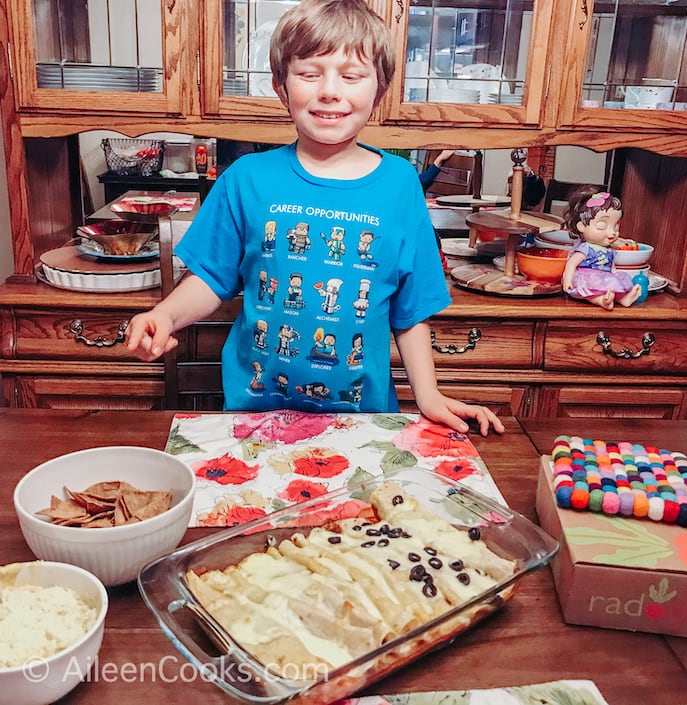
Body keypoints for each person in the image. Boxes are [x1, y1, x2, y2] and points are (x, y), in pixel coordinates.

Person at [125, 0, 503, 436]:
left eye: (351, 75)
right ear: (282, 88)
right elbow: (211, 279)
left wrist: (429, 396)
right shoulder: (246, 179)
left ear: (378, 91)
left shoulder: (401, 184)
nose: (330, 91)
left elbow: (410, 307)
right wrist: (166, 316)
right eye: (309, 73)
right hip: (254, 415)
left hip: (364, 422)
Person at [560, 187, 641, 310]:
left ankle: (623, 299)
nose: (612, 232)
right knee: (588, 293)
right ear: (581, 226)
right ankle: (601, 301)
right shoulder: (586, 248)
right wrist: (567, 280)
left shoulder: (610, 250)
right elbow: (571, 264)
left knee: (614, 287)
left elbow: (611, 267)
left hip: (605, 278)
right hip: (587, 279)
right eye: (602, 225)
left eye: (616, 227)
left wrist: (616, 278)